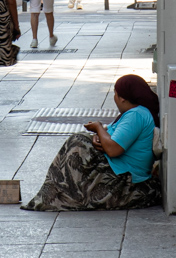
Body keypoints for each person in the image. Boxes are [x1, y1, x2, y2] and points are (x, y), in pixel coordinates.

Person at [22, 74, 161, 211]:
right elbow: (113, 135)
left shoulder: (136, 115)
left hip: (125, 178)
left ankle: (62, 193)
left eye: (115, 94)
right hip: (118, 170)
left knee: (78, 143)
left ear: (123, 98)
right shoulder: (134, 113)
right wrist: (98, 134)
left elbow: (113, 149)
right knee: (79, 141)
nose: (114, 98)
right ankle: (60, 191)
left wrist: (98, 128)